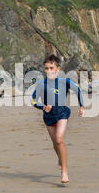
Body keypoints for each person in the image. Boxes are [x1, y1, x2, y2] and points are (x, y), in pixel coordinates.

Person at [31, 54, 85, 184]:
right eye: (46, 68)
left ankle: (64, 171)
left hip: (62, 114)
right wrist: (42, 107)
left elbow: (77, 89)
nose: (49, 71)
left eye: (51, 68)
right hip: (48, 117)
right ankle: (60, 159)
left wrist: (81, 106)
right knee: (55, 143)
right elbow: (33, 100)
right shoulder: (41, 84)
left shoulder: (64, 82)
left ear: (57, 69)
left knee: (59, 139)